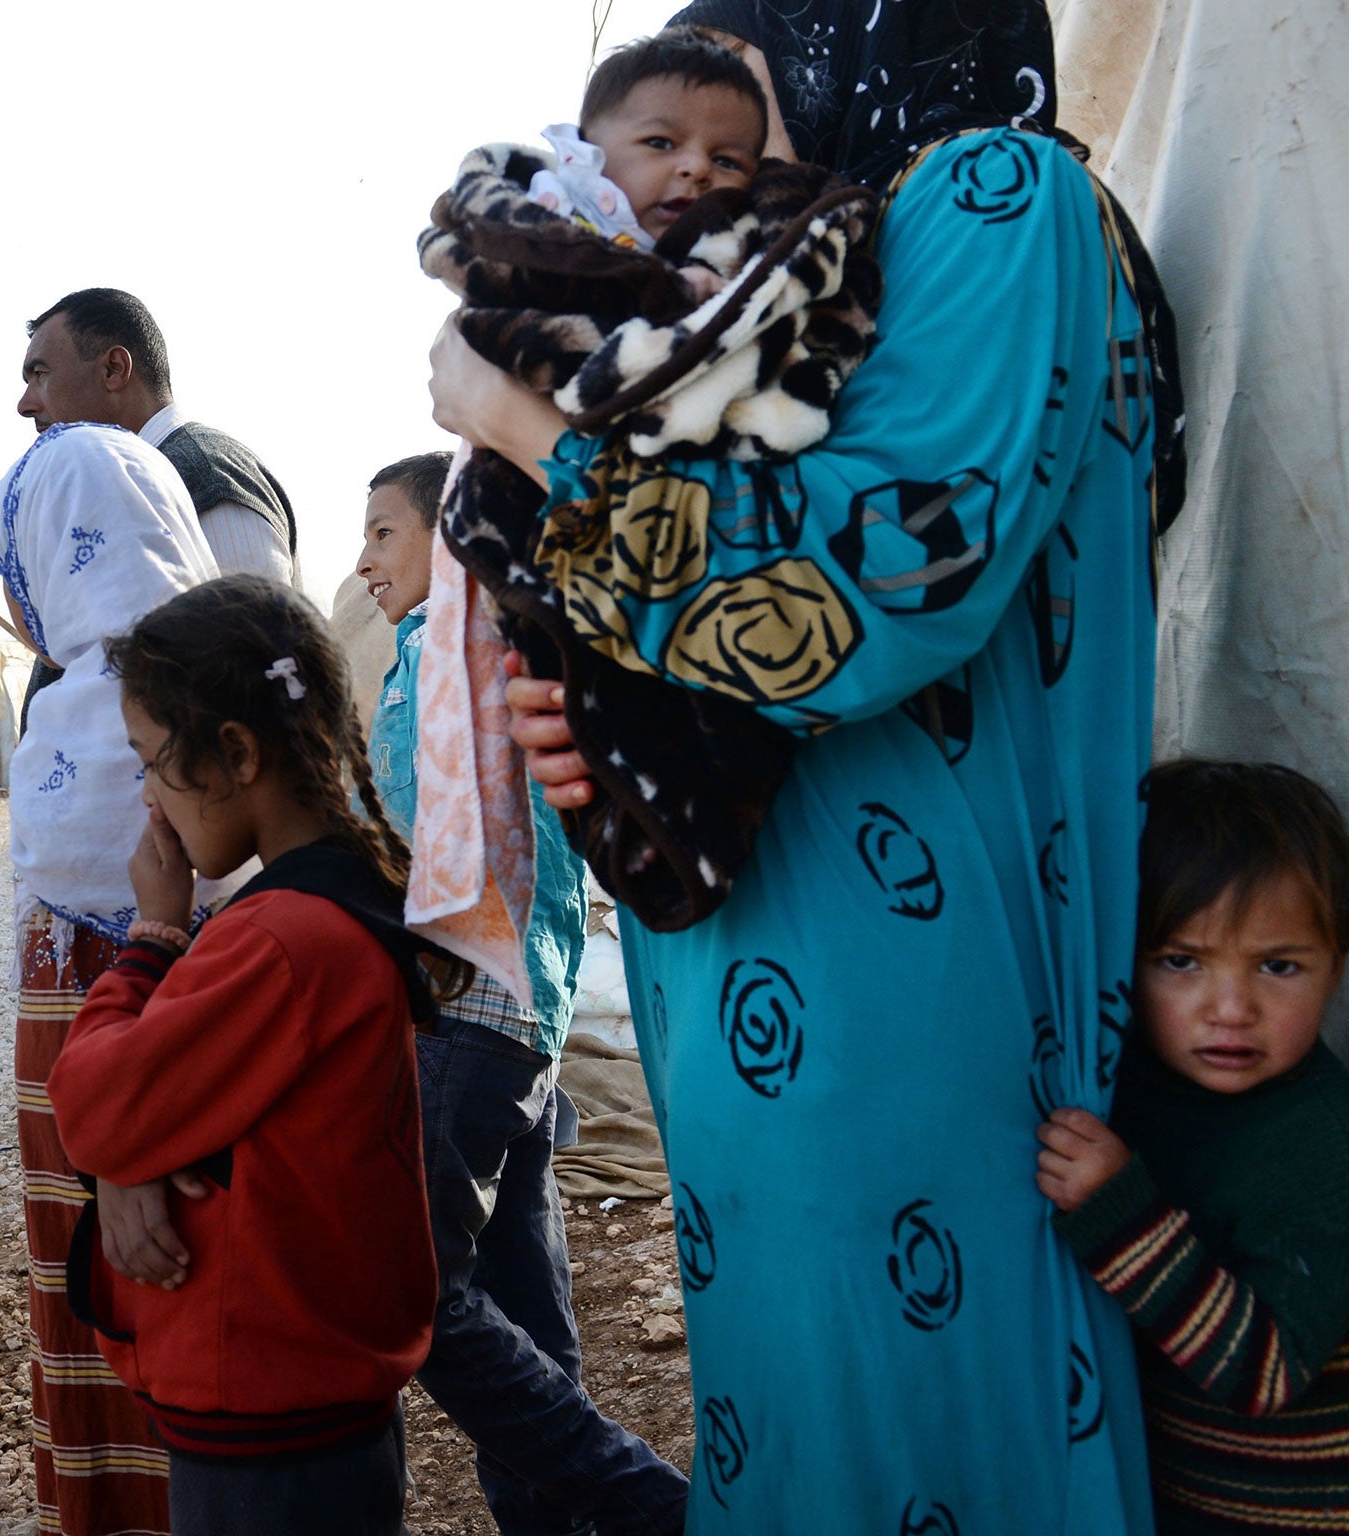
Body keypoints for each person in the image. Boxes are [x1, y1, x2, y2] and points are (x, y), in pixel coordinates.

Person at [431, 1, 1187, 1529]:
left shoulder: (995, 194)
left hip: (910, 1002)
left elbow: (853, 595)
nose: (709, 159)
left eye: (747, 94)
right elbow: (680, 617)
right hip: (768, 992)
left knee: (924, 1434)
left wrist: (522, 425)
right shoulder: (785, 292)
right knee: (802, 1428)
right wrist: (593, 737)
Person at [48, 574, 439, 1536]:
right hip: (306, 1409)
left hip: (266, 1423)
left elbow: (97, 1103)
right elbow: (148, 1110)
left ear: (233, 754)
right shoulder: (325, 907)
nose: (146, 796)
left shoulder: (277, 944)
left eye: (149, 761)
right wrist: (132, 1152)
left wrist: (150, 935)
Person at [358, 452, 690, 1534]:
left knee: (417, 1295)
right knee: (520, 1310)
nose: (363, 560)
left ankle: (652, 1506)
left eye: (382, 533)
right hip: (508, 1018)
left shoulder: (478, 659)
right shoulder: (419, 658)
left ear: (447, 543)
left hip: (478, 1011)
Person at [0, 421, 238, 1536]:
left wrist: (122, 1143)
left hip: (133, 1044)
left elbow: (156, 915)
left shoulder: (140, 702)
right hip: (124, 1050)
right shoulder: (89, 693)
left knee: (149, 1280)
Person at [1039, 759, 1349, 1535]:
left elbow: (1268, 1372)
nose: (1232, 1008)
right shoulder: (1126, 1080)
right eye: (1182, 962)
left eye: (1278, 966)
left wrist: (1119, 1213)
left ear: (1337, 969)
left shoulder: (1320, 1146)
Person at [17, 287, 298, 584]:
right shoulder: (140, 482)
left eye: (40, 375)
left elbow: (255, 628)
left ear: (114, 370)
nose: (24, 405)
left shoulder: (205, 479)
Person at [528, 27, 765, 266]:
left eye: (726, 161)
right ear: (587, 146)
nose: (698, 167)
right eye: (660, 143)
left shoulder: (754, 262)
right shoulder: (538, 216)